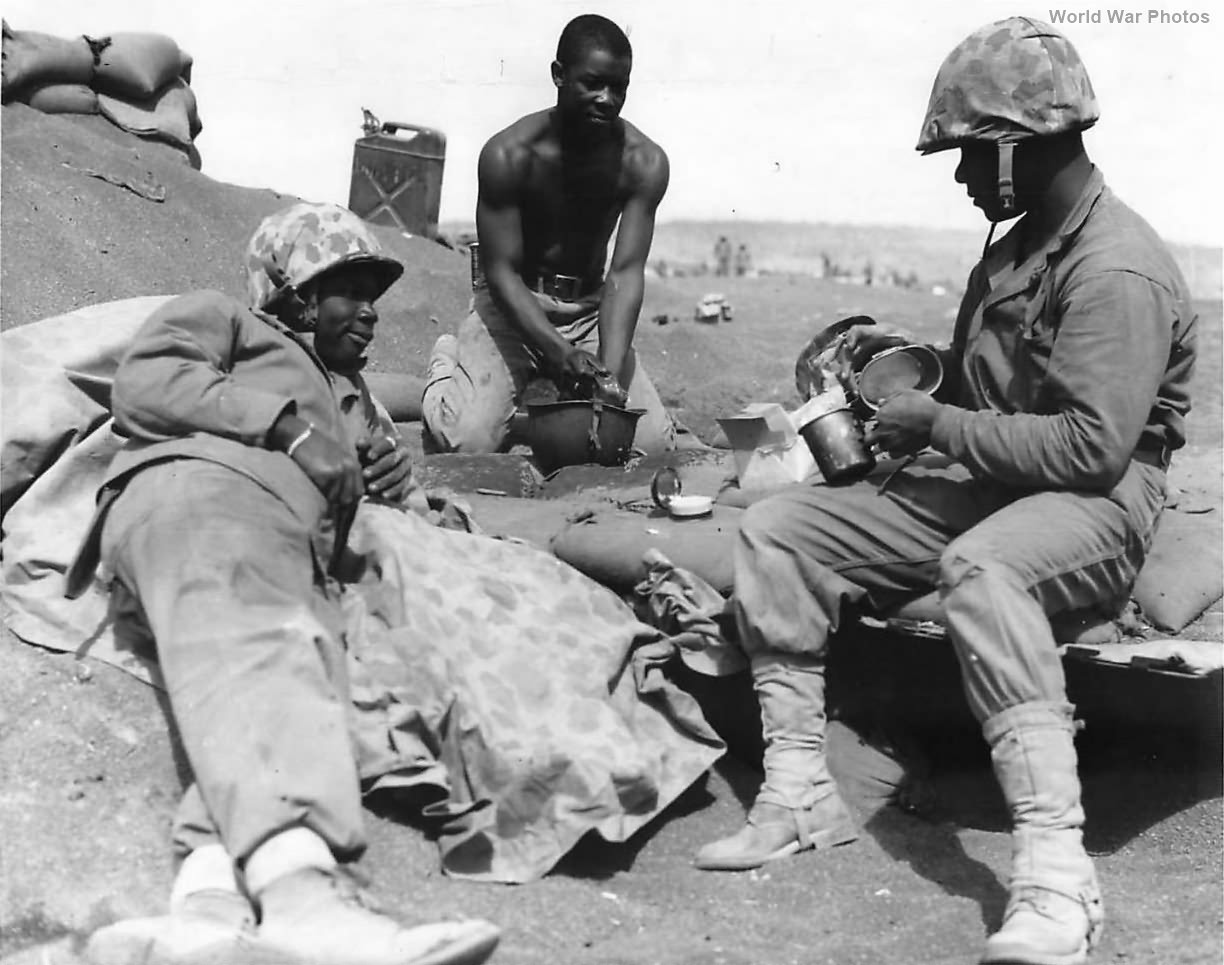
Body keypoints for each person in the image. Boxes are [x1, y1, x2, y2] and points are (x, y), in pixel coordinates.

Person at [694, 17, 1196, 965]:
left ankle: (1055, 873)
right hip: (999, 476)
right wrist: (903, 396)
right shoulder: (1013, 253)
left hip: (1098, 502)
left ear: (1015, 148)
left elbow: (1092, 449)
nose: (963, 178)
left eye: (969, 156)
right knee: (781, 530)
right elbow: (985, 399)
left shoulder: (1114, 267)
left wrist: (943, 429)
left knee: (981, 571)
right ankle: (800, 793)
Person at [76, 202, 501, 965]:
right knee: (261, 638)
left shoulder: (356, 400)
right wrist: (288, 428)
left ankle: (207, 915)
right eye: (352, 290)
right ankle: (304, 901)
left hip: (293, 553)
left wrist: (399, 486)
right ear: (297, 296)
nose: (371, 313)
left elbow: (401, 526)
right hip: (204, 489)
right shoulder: (229, 325)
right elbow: (146, 384)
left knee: (301, 658)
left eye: (376, 294)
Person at [421, 13, 676, 456]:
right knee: (467, 440)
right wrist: (557, 353)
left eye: (619, 87)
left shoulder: (643, 162)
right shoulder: (508, 154)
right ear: (558, 75)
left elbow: (626, 273)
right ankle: (448, 360)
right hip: (511, 307)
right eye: (592, 83)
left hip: (588, 311)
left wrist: (608, 377)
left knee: (647, 446)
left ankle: (553, 395)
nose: (607, 98)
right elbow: (499, 273)